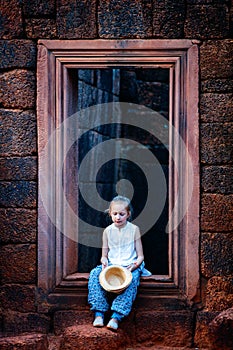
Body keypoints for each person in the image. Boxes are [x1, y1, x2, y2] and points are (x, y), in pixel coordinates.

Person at [88, 195, 151, 331]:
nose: (118, 217)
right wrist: (104, 262)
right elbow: (104, 256)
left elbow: (140, 256)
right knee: (94, 274)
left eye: (121, 214)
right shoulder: (107, 231)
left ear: (128, 214)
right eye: (115, 214)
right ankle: (99, 313)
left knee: (132, 280)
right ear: (110, 214)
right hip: (112, 264)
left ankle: (116, 316)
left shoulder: (134, 230)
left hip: (131, 264)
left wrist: (134, 266)